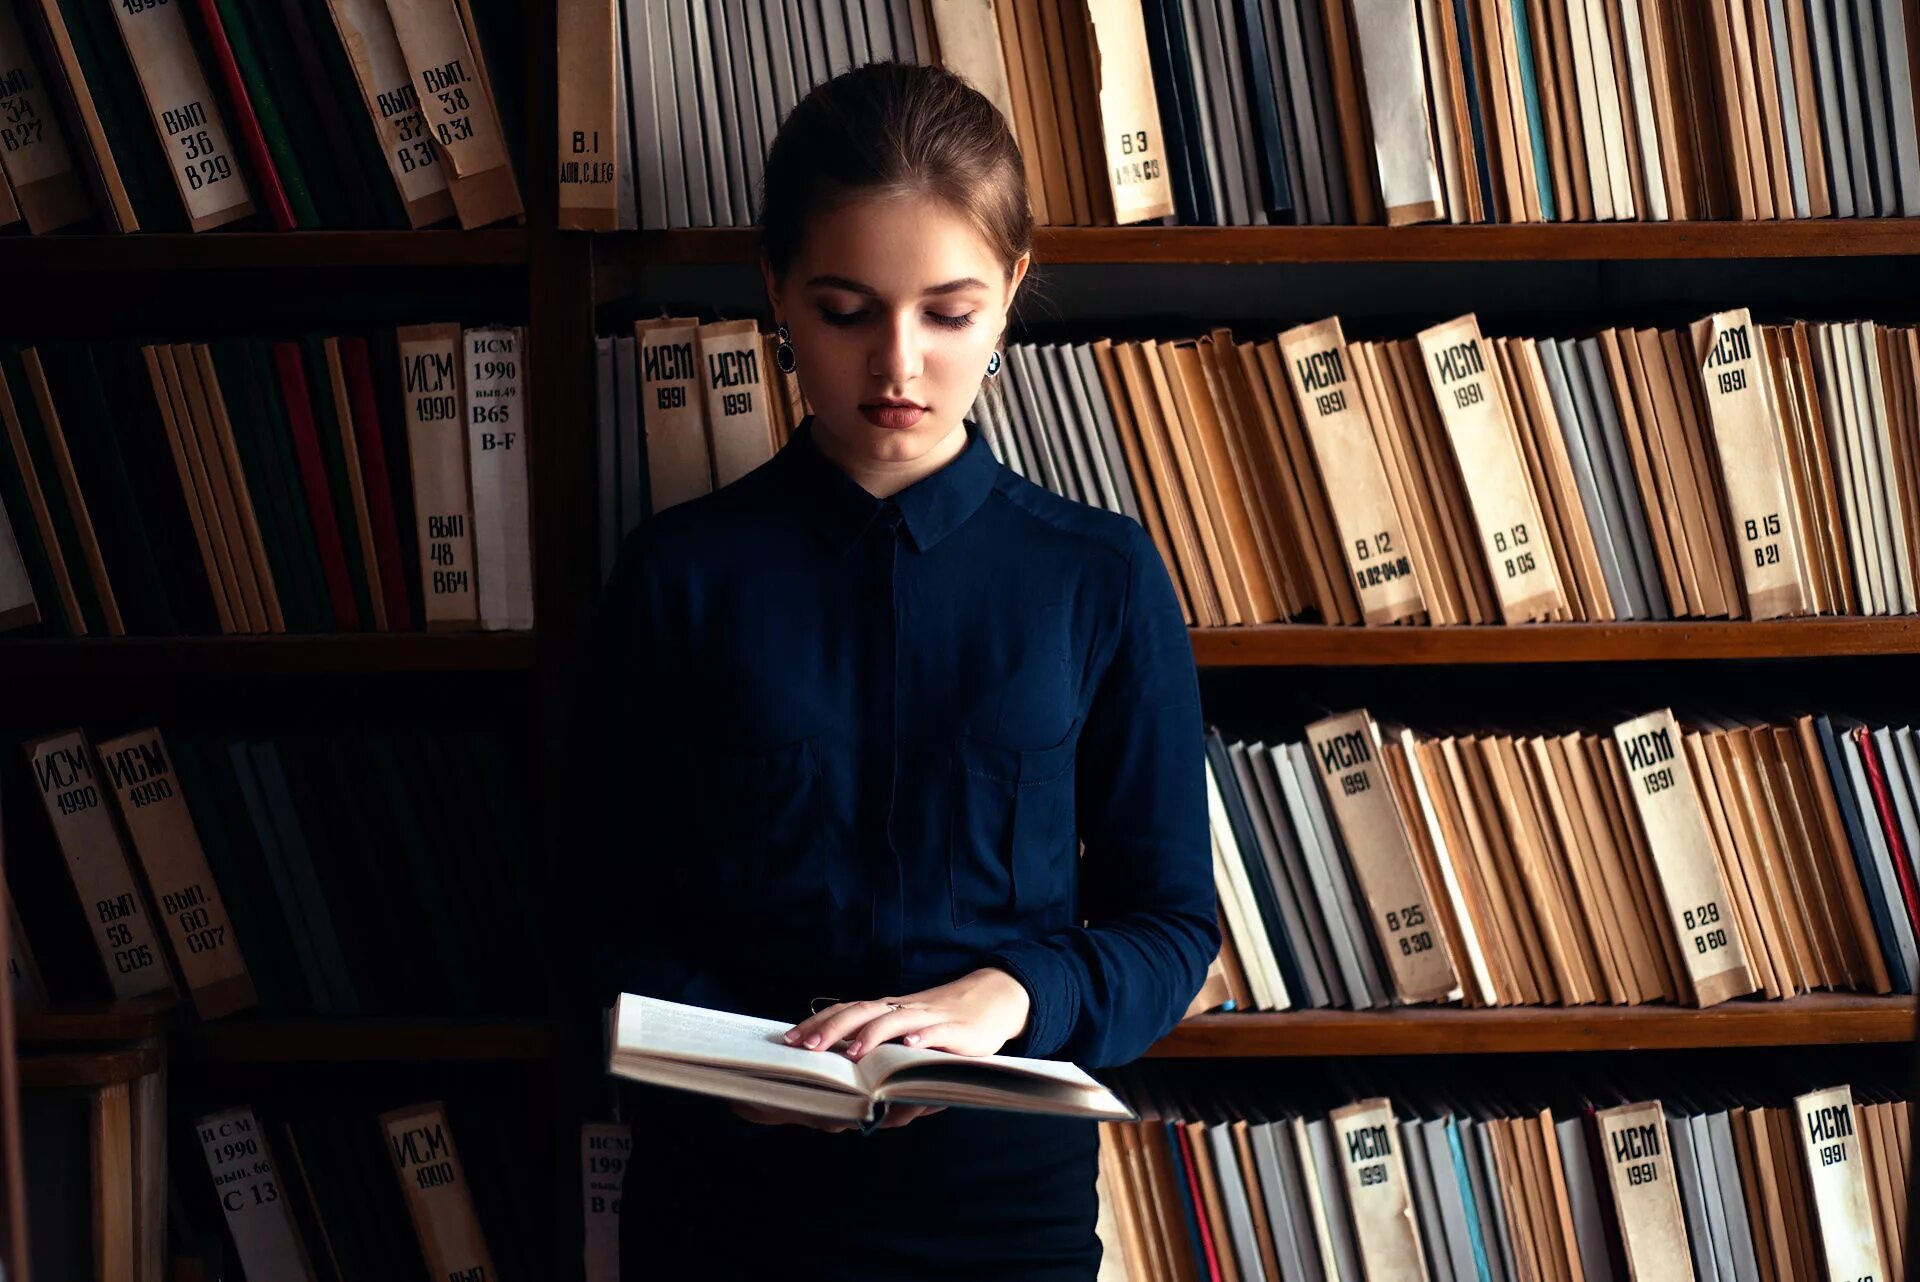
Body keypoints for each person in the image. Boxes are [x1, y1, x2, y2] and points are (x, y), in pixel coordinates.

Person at [584, 61, 1218, 1281]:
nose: (899, 366)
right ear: (772, 289)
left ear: (1013, 294)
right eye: (843, 309)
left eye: (948, 311)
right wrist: (739, 1059)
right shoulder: (680, 577)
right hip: (727, 1208)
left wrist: (1008, 994)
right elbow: (599, 919)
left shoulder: (1101, 574)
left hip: (1002, 1217)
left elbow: (1172, 925)